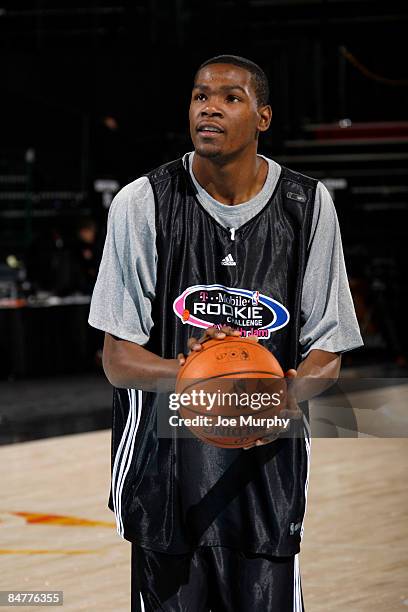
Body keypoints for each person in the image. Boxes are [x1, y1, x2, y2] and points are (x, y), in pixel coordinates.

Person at [89, 55, 363, 611]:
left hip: (266, 476)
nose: (209, 107)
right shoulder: (142, 203)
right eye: (199, 96)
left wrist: (280, 394)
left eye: (230, 97)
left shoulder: (307, 206)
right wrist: (196, 375)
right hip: (163, 473)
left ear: (263, 117)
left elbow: (329, 351)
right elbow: (118, 359)